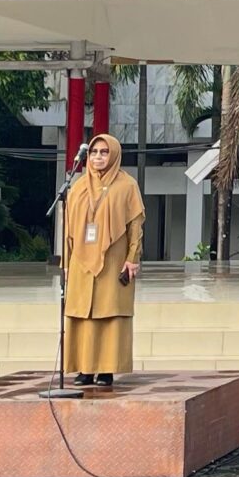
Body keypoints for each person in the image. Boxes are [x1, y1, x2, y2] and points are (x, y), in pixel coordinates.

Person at [59, 132, 143, 387]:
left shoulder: (127, 185)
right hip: (81, 261)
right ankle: (84, 369)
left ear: (114, 155)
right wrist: (66, 264)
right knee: (83, 313)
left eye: (104, 152)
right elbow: (68, 229)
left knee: (109, 312)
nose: (98, 157)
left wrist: (132, 258)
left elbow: (135, 226)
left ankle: (106, 370)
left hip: (113, 259)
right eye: (94, 152)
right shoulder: (78, 186)